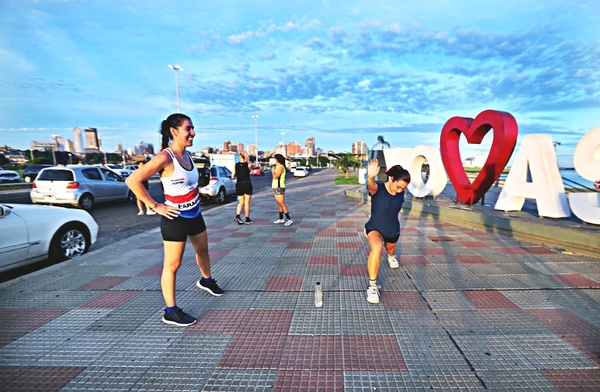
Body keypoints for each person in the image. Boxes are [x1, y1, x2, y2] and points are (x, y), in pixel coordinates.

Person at [125, 113, 224, 327]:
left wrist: (196, 199)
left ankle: (206, 280)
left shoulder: (188, 156)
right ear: (174, 131)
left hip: (195, 214)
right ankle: (170, 311)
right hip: (175, 219)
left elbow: (188, 185)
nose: (193, 133)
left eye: (193, 128)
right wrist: (155, 206)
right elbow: (133, 180)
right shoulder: (165, 157)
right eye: (188, 129)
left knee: (203, 251)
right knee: (173, 265)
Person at [364, 159, 411, 304]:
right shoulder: (378, 189)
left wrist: (399, 190)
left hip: (392, 229)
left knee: (390, 249)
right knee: (377, 247)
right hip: (374, 228)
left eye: (403, 189)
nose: (399, 191)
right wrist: (370, 177)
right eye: (398, 186)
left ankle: (391, 256)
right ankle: (372, 287)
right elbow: (371, 186)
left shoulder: (400, 192)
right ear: (391, 179)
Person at [232, 151, 253, 224]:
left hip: (239, 184)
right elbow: (251, 169)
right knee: (247, 203)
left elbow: (232, 176)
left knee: (240, 202)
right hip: (247, 184)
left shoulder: (236, 165)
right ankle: (247, 219)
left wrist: (237, 175)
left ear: (239, 156)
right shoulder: (248, 164)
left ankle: (237, 216)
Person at [271, 153, 293, 226]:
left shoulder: (280, 167)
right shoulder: (278, 167)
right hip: (275, 186)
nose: (274, 160)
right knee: (279, 203)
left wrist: (273, 171)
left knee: (282, 203)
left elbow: (275, 177)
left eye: (275, 159)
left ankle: (289, 219)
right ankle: (281, 218)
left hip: (279, 187)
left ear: (277, 160)